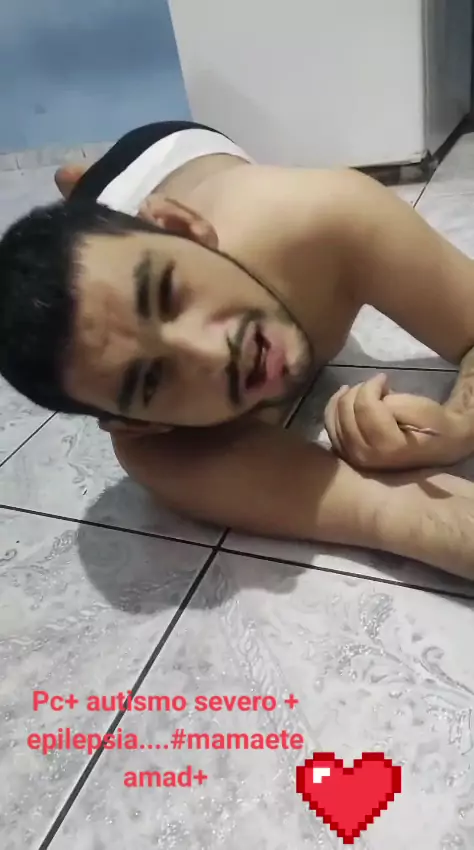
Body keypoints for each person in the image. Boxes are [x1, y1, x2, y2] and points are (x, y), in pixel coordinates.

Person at [2, 119, 474, 577]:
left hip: (173, 145)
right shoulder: (160, 453)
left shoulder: (327, 214)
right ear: (138, 424)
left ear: (185, 227)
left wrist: (460, 426)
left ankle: (84, 180)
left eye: (169, 293)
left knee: (92, 193)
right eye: (153, 379)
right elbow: (397, 516)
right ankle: (88, 195)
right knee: (83, 230)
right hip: (124, 236)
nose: (218, 353)